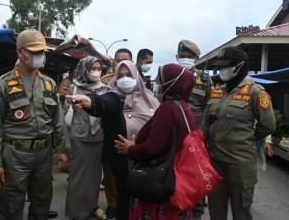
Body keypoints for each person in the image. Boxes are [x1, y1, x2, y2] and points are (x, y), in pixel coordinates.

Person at [0, 29, 70, 220]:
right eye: (34, 52)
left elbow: (58, 120)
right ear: (20, 52)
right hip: (14, 155)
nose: (40, 56)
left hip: (43, 154)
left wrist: (63, 149)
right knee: (11, 206)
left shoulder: (49, 84)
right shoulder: (2, 85)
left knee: (42, 204)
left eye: (42, 52)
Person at [66, 60, 160, 220]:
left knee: (146, 200)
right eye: (120, 76)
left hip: (146, 160)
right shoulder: (113, 97)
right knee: (124, 199)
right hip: (120, 160)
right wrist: (88, 101)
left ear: (136, 76)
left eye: (129, 75)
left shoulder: (150, 98)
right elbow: (101, 103)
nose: (124, 79)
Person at [202, 46, 276, 220]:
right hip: (215, 162)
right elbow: (206, 125)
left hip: (240, 163)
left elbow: (268, 125)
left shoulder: (255, 92)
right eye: (220, 67)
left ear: (240, 65)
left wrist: (247, 138)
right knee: (216, 209)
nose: (222, 70)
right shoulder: (217, 91)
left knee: (241, 210)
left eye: (225, 66)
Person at [114, 63, 196, 220]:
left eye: (160, 80)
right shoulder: (183, 106)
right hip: (177, 174)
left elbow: (154, 147)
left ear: (171, 82)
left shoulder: (168, 108)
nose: (158, 85)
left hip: (160, 177)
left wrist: (130, 150)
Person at [64, 56, 108, 220]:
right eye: (92, 68)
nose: (96, 72)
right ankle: (75, 211)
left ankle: (92, 206)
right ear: (84, 69)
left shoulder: (104, 89)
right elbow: (64, 114)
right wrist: (74, 109)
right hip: (79, 137)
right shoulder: (74, 88)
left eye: (98, 69)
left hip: (98, 136)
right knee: (77, 176)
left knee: (95, 176)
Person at [175, 39, 212, 219]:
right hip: (174, 136)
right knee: (175, 176)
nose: (185, 60)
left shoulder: (205, 80)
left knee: (196, 175)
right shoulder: (169, 75)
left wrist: (203, 135)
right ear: (176, 57)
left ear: (196, 58)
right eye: (182, 57)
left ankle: (196, 212)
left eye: (189, 57)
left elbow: (209, 108)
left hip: (196, 137)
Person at [100, 48, 133, 218]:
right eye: (117, 60)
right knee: (112, 174)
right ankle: (112, 202)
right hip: (113, 134)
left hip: (134, 140)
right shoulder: (107, 81)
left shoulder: (138, 81)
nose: (121, 63)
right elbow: (101, 103)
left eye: (125, 59)